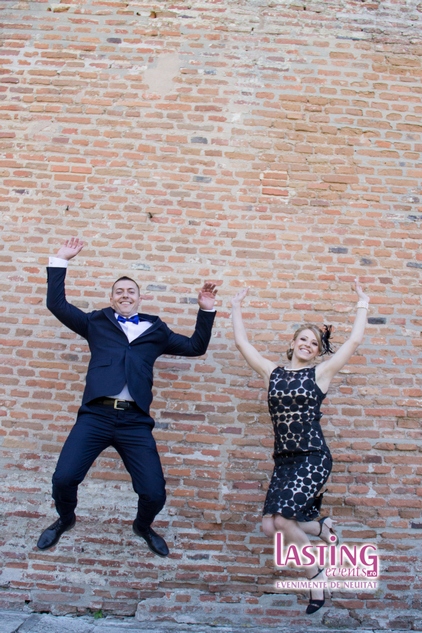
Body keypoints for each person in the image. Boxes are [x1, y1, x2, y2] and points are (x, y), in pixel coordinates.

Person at [37, 237, 217, 556]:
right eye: (119, 291)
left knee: (154, 493)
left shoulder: (156, 330)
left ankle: (142, 526)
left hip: (135, 422)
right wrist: (60, 259)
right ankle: (65, 519)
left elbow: (195, 347)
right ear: (112, 298)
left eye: (130, 291)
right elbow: (57, 305)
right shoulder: (96, 322)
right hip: (96, 417)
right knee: (63, 478)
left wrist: (205, 310)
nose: (125, 295)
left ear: (139, 298)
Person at [231, 280, 369, 614]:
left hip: (312, 456)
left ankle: (315, 577)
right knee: (270, 526)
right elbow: (242, 343)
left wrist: (362, 304)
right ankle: (320, 527)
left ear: (318, 352)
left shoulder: (320, 374)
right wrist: (235, 306)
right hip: (284, 461)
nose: (308, 345)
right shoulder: (272, 373)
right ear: (292, 344)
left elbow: (354, 341)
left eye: (315, 343)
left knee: (283, 521)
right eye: (303, 339)